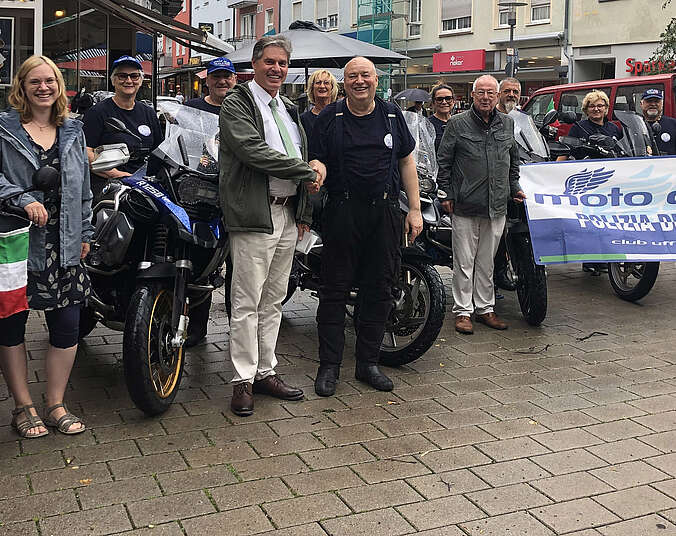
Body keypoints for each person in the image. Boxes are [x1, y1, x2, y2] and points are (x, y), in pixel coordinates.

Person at [219, 36, 324, 417]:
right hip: (254, 214)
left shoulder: (287, 107)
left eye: (282, 63)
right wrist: (304, 170)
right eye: (270, 62)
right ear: (255, 63)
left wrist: (307, 199)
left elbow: (303, 155)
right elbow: (251, 150)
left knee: (274, 300)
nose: (277, 69)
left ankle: (266, 371)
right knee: (247, 301)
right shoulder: (238, 102)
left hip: (286, 212)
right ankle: (242, 381)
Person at [310, 56, 422, 397]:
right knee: (334, 290)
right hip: (343, 212)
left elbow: (406, 161)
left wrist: (414, 209)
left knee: (380, 288)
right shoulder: (330, 117)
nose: (360, 81)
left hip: (385, 213)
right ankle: (329, 366)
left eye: (366, 75)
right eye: (353, 76)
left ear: (376, 80)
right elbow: (316, 158)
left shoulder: (391, 114)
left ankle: (367, 363)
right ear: (344, 83)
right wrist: (318, 172)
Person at [0, 55, 94, 437]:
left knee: (67, 326)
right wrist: (22, 199)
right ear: (21, 87)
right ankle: (23, 407)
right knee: (11, 326)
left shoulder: (73, 129)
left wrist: (86, 233)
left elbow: (85, 187)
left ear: (59, 86)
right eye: (34, 81)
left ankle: (55, 403)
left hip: (65, 240)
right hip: (18, 242)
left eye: (50, 81)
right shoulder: (4, 128)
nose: (43, 88)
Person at [438, 75, 525, 335]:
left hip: (496, 204)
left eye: (491, 93)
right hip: (465, 203)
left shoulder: (508, 124)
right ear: (473, 95)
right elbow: (444, 162)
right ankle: (463, 312)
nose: (486, 97)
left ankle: (485, 308)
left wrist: (514, 188)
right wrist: (446, 194)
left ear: (497, 96)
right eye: (481, 93)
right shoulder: (457, 123)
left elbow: (513, 161)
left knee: (487, 261)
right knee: (464, 261)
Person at [181, 57, 237, 348]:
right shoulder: (192, 107)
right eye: (217, 77)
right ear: (207, 80)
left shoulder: (241, 107)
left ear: (235, 79)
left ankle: (236, 329)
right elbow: (180, 144)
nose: (222, 82)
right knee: (200, 262)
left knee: (235, 267)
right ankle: (197, 326)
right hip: (199, 195)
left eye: (227, 77)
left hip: (235, 195)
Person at [82, 55, 163, 200]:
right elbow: (86, 152)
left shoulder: (148, 112)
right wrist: (116, 174)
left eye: (134, 76)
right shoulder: (98, 112)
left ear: (141, 80)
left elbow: (160, 151)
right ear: (113, 80)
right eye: (122, 76)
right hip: (109, 187)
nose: (129, 80)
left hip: (143, 185)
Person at [558, 90, 619, 275]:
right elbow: (567, 150)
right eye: (592, 106)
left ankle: (606, 259)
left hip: (611, 180)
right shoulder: (578, 127)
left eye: (600, 105)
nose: (596, 109)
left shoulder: (614, 129)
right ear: (586, 109)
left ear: (606, 108)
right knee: (590, 221)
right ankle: (590, 260)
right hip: (588, 181)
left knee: (608, 222)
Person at [492, 77, 524, 293]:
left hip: (515, 176)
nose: (511, 95)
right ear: (499, 94)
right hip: (494, 180)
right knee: (495, 232)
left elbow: (530, 142)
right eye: (507, 91)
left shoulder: (522, 118)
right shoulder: (491, 115)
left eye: (515, 91)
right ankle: (498, 271)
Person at [300, 69, 338, 136]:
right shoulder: (303, 119)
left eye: (326, 83)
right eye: (318, 83)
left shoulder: (340, 114)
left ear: (332, 88)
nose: (322, 86)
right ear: (312, 88)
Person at [640, 88, 676, 155]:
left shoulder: (673, 124)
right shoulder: (635, 125)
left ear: (662, 104)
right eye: (649, 101)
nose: (653, 104)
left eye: (656, 101)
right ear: (641, 104)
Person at [428, 84, 454, 153]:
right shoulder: (426, 125)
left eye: (448, 98)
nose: (444, 102)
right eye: (439, 99)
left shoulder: (459, 122)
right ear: (433, 102)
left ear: (453, 101)